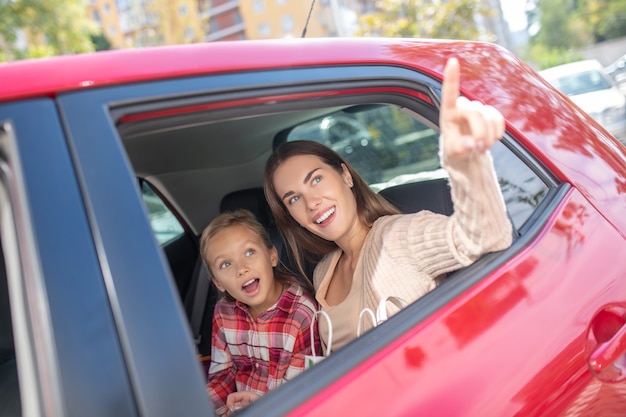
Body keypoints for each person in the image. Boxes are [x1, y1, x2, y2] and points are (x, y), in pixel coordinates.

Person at [263, 58, 513, 353]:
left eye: (316, 180)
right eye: (294, 198)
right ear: (291, 215)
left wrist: (465, 163)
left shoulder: (398, 238)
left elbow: (485, 237)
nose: (311, 202)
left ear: (345, 175)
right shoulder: (323, 272)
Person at [200, 209, 320, 416]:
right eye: (226, 264)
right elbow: (223, 373)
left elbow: (302, 390)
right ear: (218, 283)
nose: (242, 268)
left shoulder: (301, 314)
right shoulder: (223, 312)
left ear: (272, 256)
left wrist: (262, 405)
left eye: (249, 252)